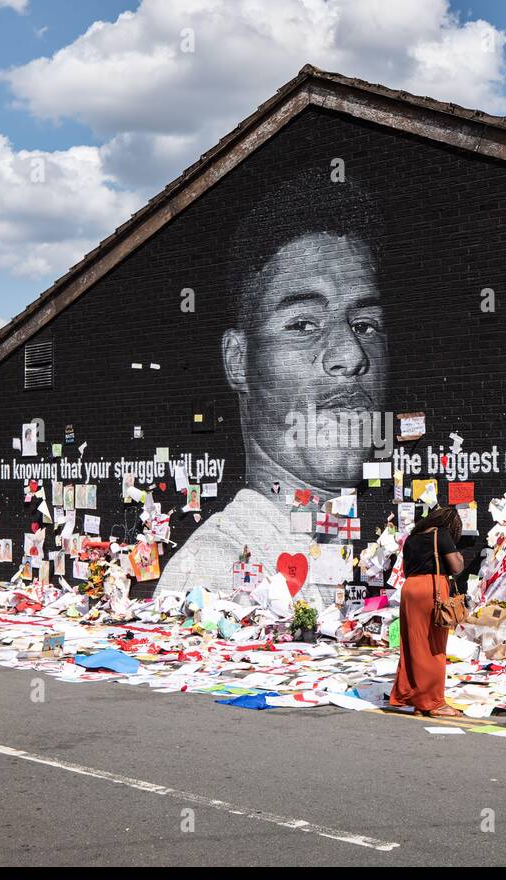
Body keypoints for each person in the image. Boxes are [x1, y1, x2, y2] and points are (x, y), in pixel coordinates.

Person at [159, 175, 388, 599]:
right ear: (237, 360)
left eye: (365, 324)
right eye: (303, 325)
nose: (351, 355)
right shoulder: (210, 571)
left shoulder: (369, 552)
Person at [389, 506, 465, 717]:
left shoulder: (411, 538)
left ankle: (417, 700)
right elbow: (456, 567)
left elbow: (405, 569)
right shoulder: (441, 533)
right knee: (433, 646)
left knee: (413, 645)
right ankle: (434, 703)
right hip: (431, 589)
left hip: (410, 589)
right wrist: (457, 554)